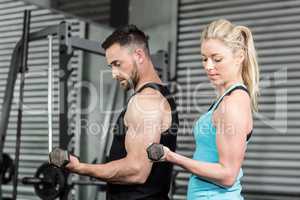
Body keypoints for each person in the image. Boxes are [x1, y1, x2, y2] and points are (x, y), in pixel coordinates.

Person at [147, 19, 260, 199]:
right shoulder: (224, 100)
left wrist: (171, 157)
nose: (208, 66)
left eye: (217, 59)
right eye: (204, 59)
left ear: (239, 57)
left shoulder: (233, 103)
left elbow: (228, 175)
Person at [64, 25, 179, 200]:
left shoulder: (146, 101)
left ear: (139, 55)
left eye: (117, 64)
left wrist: (81, 168)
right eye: (111, 66)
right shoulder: (158, 95)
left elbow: (137, 171)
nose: (113, 73)